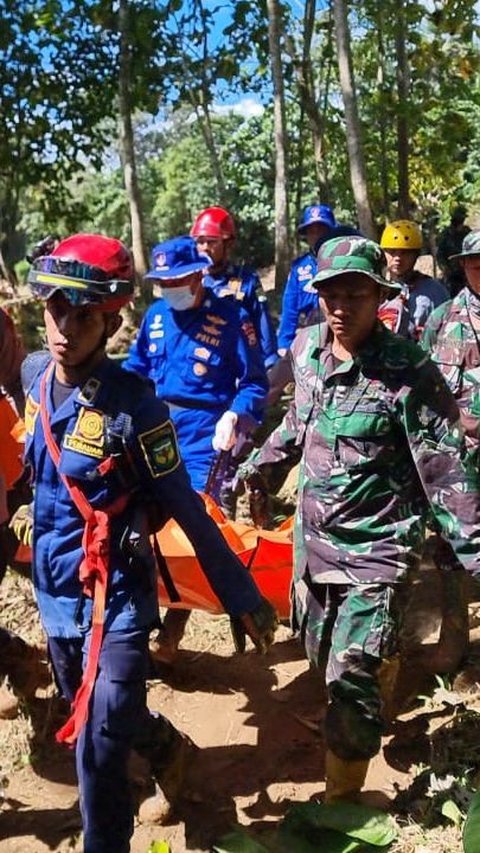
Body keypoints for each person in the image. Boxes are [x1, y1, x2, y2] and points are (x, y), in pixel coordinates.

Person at [21, 232, 277, 852]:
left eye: (84, 315)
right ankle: (167, 749)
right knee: (95, 704)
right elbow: (23, 477)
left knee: (99, 739)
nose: (66, 328)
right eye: (56, 309)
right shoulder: (30, 379)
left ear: (109, 321)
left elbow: (187, 509)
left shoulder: (136, 409)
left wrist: (241, 595)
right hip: (55, 592)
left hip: (119, 591)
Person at [237, 235, 480, 804]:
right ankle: (380, 667)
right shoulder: (306, 351)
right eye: (331, 295)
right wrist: (258, 470)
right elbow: (299, 423)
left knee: (350, 683)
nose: (342, 308)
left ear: (380, 297)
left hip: (380, 552)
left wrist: (475, 549)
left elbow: (445, 468)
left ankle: (340, 809)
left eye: (356, 295)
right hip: (316, 551)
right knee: (324, 662)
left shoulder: (406, 368)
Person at [420, 228, 480, 673]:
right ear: (463, 266)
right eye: (476, 263)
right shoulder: (443, 318)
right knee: (451, 549)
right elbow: (423, 384)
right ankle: (455, 638)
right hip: (457, 457)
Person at [190, 205, 278, 370]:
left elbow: (262, 322)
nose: (205, 248)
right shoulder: (190, 281)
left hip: (241, 367)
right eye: (200, 242)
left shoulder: (247, 280)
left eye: (211, 241)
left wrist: (270, 363)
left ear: (228, 243)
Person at [277, 204, 336, 356]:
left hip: (340, 336)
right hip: (308, 337)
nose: (317, 235)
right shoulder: (299, 268)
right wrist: (284, 344)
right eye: (312, 231)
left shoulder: (344, 262)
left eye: (321, 229)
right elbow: (289, 307)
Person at [380, 219, 449, 339]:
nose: (398, 258)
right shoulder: (374, 290)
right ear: (383, 253)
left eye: (405, 253)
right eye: (392, 252)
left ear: (416, 255)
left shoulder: (435, 292)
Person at [436, 205, 470, 297]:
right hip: (451, 275)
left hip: (465, 273)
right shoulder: (446, 234)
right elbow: (440, 254)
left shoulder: (467, 232)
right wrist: (445, 269)